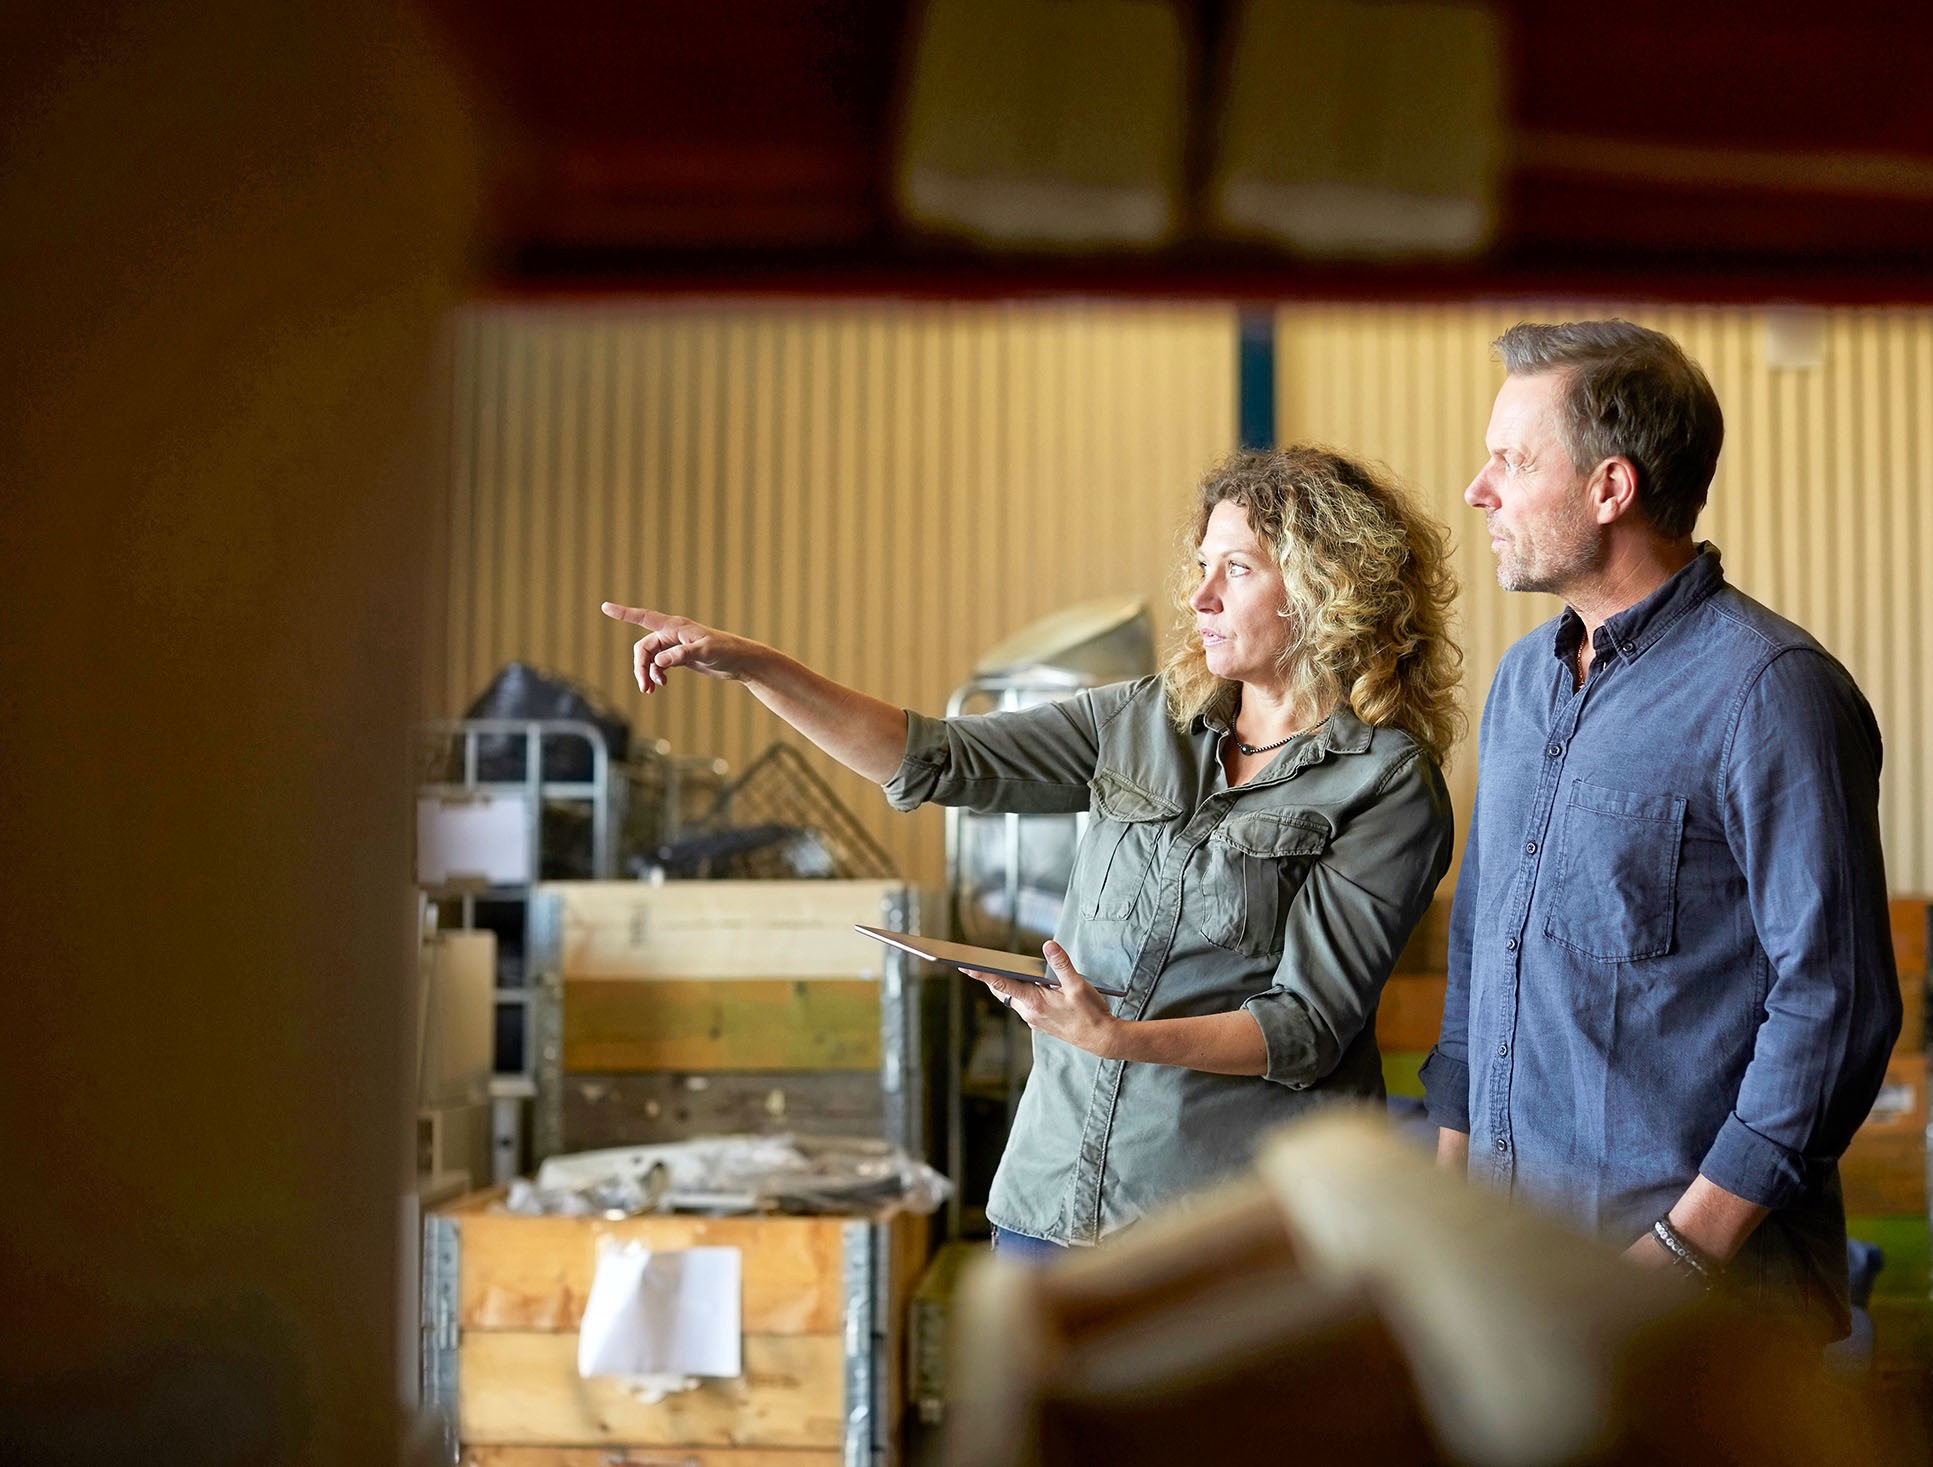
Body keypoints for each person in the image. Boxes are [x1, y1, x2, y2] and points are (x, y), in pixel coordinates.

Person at [606, 445, 1463, 1254]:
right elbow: (937, 757)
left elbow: (1306, 1026)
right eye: (1201, 567)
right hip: (1051, 1199)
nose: (1200, 596)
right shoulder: (1142, 719)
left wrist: (1120, 1037)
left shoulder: (1383, 782)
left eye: (1235, 569)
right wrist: (762, 670)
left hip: (1220, 1232)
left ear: (1324, 589)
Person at [1420, 320, 1900, 1339]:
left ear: (1609, 488)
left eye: (1510, 459)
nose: (1477, 488)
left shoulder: (1771, 694)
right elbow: (1478, 952)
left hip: (1701, 1315)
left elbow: (1835, 1003)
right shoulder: (1521, 687)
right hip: (1522, 1285)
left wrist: (1684, 1252)